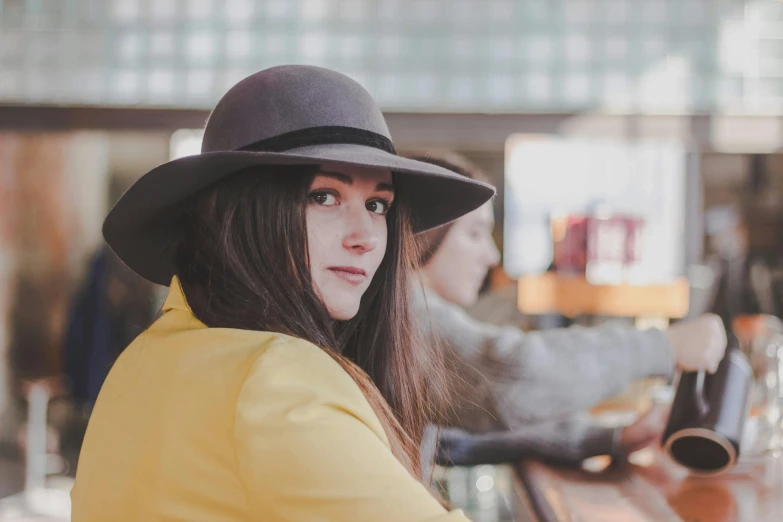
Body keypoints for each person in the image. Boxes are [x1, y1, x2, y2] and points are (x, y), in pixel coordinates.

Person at [71, 66, 495, 521]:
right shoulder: (278, 378)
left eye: (377, 205)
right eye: (325, 197)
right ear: (243, 213)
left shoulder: (142, 359)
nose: (366, 237)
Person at [407, 151, 727, 466]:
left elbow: (452, 441)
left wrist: (610, 438)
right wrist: (667, 346)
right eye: (474, 234)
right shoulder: (405, 312)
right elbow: (513, 378)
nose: (491, 256)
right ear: (418, 233)